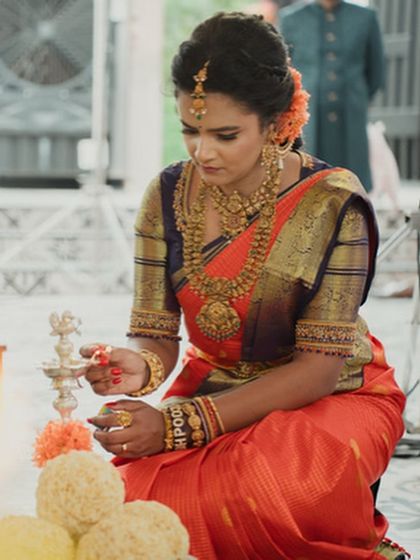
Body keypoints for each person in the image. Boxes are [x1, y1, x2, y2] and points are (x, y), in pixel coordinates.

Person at [81, 12, 409, 560]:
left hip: (332, 396)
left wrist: (179, 425)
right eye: (190, 129)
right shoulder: (166, 195)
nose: (201, 152)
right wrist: (138, 365)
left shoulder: (332, 203)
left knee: (266, 490)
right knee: (129, 512)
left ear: (276, 122)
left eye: (224, 135)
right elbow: (154, 332)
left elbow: (319, 367)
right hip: (215, 386)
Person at [280, 0, 385, 192]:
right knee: (307, 185)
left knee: (353, 187)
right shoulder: (291, 18)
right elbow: (285, 71)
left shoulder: (366, 17)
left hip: (351, 115)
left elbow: (376, 72)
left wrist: (358, 99)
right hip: (310, 118)